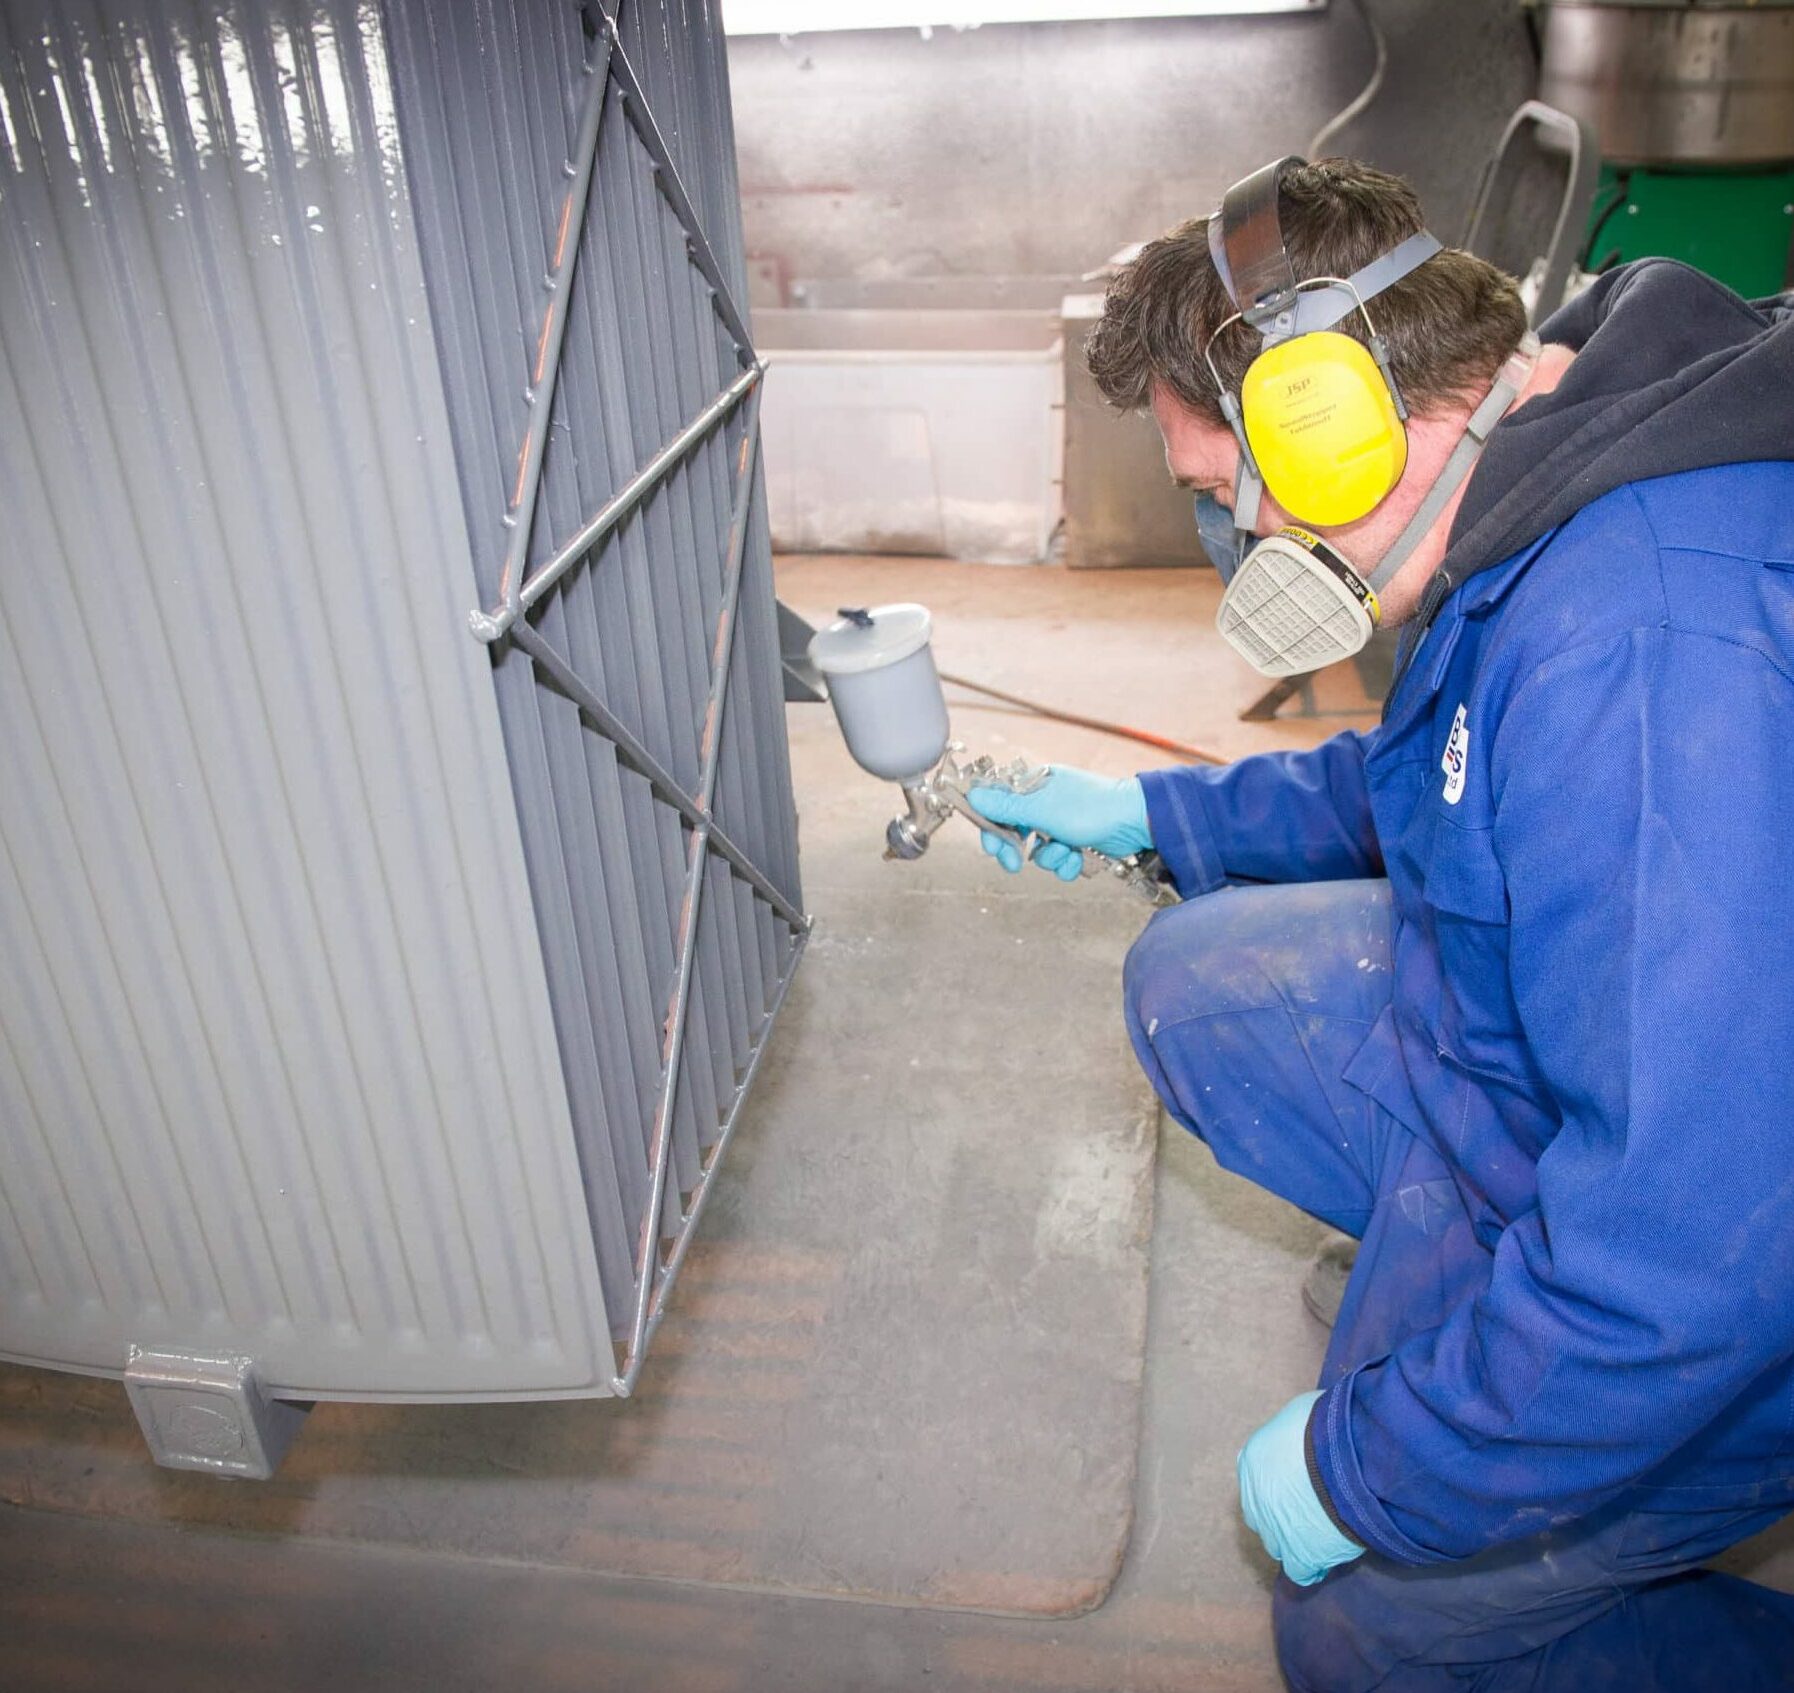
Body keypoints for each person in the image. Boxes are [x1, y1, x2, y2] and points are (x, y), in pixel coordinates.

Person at [969, 155, 1794, 1689]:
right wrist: (1161, 819)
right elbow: (1433, 778)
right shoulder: (1551, 469)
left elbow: (1696, 1255)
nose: (1235, 538)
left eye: (1223, 496)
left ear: (1328, 433)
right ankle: (1471, 1286)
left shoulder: (1637, 651)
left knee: (1370, 1625)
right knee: (1200, 987)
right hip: (1584, 1100)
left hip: (1738, 1303)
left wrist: (1370, 1468)